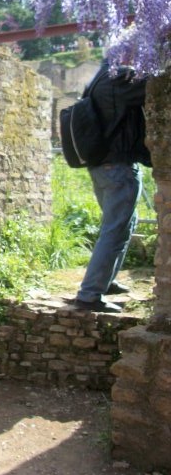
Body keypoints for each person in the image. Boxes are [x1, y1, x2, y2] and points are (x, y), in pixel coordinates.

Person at [74, 57, 151, 314]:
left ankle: (105, 281)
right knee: (115, 230)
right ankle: (89, 295)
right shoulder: (120, 77)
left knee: (122, 226)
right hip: (117, 166)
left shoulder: (101, 76)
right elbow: (155, 87)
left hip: (102, 165)